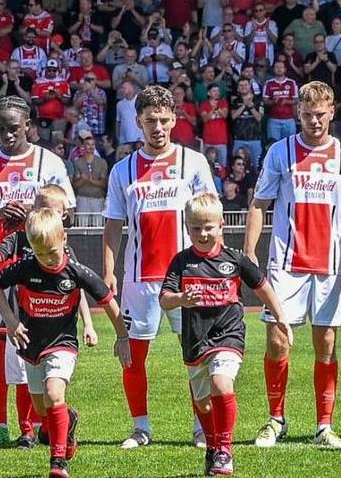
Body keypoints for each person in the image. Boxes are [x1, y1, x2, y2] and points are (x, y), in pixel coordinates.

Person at [244, 81, 341, 449]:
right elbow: (259, 203)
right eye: (308, 114)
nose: (314, 121)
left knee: (325, 342)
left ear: (332, 112)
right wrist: (249, 251)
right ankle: (276, 419)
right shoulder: (280, 152)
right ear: (299, 113)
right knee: (278, 340)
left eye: (321, 114)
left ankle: (324, 426)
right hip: (285, 263)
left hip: (328, 265)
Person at [101, 85, 215, 450]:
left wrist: (214, 266)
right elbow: (113, 224)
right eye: (151, 120)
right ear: (138, 122)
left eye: (165, 120)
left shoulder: (193, 162)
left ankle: (202, 427)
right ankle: (141, 427)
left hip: (187, 277)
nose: (158, 127)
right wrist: (109, 270)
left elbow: (211, 215)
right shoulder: (123, 170)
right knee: (133, 355)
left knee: (196, 354)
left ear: (175, 120)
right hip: (139, 278)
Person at [0, 96, 74, 448]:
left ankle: (29, 429)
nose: (7, 135)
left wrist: (40, 215)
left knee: (28, 347)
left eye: (13, 128)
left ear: (28, 126)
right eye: (0, 129)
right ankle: (0, 427)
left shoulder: (48, 162)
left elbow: (68, 214)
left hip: (37, 268)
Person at [0, 206, 132, 478]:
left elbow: (109, 303)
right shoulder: (26, 267)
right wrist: (11, 321)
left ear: (64, 240)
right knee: (42, 409)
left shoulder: (76, 271)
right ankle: (69, 420)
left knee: (54, 394)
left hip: (62, 343)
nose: (47, 260)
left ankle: (58, 462)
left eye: (52, 252)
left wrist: (122, 336)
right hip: (30, 345)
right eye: (39, 253)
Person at [162, 193, 291, 477]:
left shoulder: (235, 259)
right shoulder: (181, 262)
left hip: (228, 335)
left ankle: (224, 449)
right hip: (195, 337)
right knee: (202, 401)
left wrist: (281, 317)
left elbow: (262, 286)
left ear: (222, 225)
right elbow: (165, 298)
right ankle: (212, 444)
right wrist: (182, 298)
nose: (203, 233)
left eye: (209, 227)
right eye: (196, 228)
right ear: (187, 228)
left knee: (221, 383)